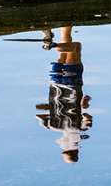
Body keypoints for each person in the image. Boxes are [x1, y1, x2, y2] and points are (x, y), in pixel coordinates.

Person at [36, 26, 93, 163]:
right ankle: (65, 24)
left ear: (77, 151)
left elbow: (86, 114)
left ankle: (52, 44)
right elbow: (38, 113)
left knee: (75, 47)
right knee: (64, 50)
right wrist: (50, 108)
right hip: (55, 85)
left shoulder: (81, 130)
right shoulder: (52, 126)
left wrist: (85, 102)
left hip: (73, 83)